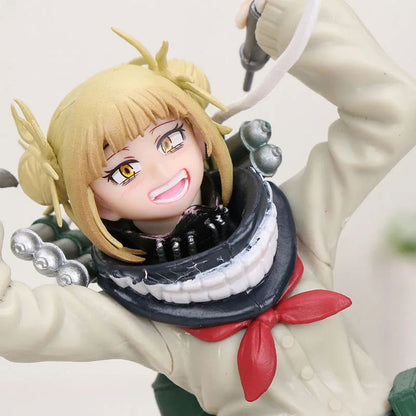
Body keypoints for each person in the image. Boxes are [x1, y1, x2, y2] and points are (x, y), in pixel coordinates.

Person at [1, 0, 415, 414]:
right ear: (98, 205)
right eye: (125, 171)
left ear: (200, 138)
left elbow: (390, 117)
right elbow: (15, 324)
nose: (160, 170)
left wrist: (292, 18)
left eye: (170, 140)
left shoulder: (296, 223)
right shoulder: (142, 316)